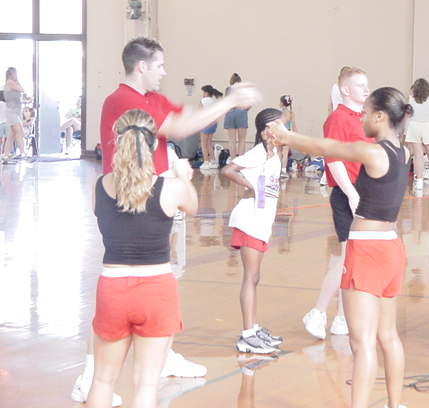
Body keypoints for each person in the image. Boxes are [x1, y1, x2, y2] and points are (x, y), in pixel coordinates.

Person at [72, 37, 261, 405]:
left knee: (155, 273)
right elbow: (176, 129)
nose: (164, 71)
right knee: (149, 282)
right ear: (141, 66)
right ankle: (90, 371)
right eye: (159, 65)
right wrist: (229, 101)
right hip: (136, 196)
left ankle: (156, 351)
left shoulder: (152, 99)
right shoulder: (122, 100)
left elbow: (184, 121)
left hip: (154, 196)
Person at [268, 86, 412, 408]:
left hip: (368, 250)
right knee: (388, 336)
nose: (361, 118)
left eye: (366, 113)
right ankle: (395, 404)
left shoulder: (374, 153)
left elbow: (327, 146)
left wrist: (287, 136)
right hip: (392, 248)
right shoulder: (403, 152)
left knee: (362, 343)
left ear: (380, 116)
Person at [88, 109, 198, 408]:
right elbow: (192, 206)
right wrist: (183, 177)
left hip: (112, 288)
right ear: (153, 144)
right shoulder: (170, 188)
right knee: (147, 384)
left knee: (103, 381)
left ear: (117, 140)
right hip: (156, 289)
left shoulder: (99, 186)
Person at [302, 66, 373, 340]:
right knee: (345, 258)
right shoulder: (337, 118)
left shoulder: (365, 118)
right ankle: (318, 312)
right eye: (360, 85)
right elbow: (333, 159)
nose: (366, 89)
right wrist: (351, 194)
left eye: (366, 84)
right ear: (345, 89)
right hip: (347, 195)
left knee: (354, 260)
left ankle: (342, 317)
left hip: (364, 193)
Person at [222, 108, 285, 355]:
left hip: (262, 220)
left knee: (255, 277)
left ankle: (254, 328)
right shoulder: (258, 152)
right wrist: (250, 186)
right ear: (266, 130)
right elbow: (228, 170)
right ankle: (248, 335)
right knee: (250, 276)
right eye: (279, 125)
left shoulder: (273, 153)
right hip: (250, 219)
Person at [405, 78, 429, 192]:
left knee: (418, 156)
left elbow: (407, 113)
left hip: (414, 126)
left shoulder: (410, 99)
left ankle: (419, 182)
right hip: (428, 127)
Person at [224, 73, 250, 160]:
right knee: (242, 139)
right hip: (241, 113)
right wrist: (244, 109)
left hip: (230, 113)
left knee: (232, 140)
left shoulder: (228, 90)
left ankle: (233, 159)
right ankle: (240, 161)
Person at [2, 67, 26, 160]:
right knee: (19, 131)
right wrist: (17, 82)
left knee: (11, 135)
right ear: (12, 74)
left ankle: (5, 155)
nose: (16, 75)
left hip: (14, 111)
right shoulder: (10, 82)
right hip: (11, 111)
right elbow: (22, 89)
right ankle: (23, 153)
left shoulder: (12, 83)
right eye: (15, 73)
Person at [199, 85, 224, 170]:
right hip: (213, 123)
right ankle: (213, 162)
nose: (203, 94)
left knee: (203, 144)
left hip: (205, 123)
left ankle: (206, 162)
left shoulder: (203, 101)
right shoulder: (213, 101)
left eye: (203, 92)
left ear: (206, 93)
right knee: (209, 143)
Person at [278, 95, 296, 178]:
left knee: (279, 152)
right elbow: (294, 125)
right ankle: (283, 170)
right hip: (286, 133)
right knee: (285, 153)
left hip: (279, 133)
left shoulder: (279, 112)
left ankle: (278, 169)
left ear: (282, 103)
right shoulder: (291, 113)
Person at [0, 90, 7, 156]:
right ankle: (5, 153)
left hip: (0, 123)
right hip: (7, 123)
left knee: (0, 140)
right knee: (7, 140)